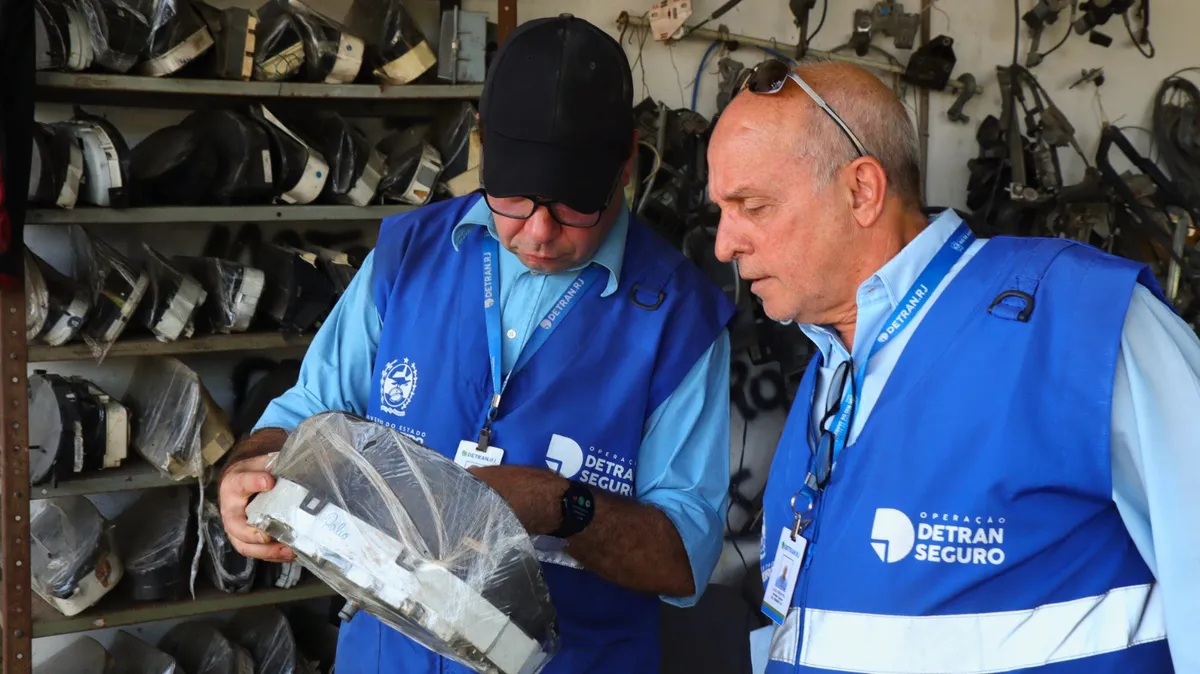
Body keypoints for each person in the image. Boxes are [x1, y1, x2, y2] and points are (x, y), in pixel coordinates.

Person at [217, 14, 737, 674]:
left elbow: (683, 557)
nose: (541, 232)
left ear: (628, 161)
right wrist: (246, 475)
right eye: (515, 199)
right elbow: (303, 417)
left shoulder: (680, 319)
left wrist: (562, 506)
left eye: (576, 205)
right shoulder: (408, 256)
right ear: (483, 143)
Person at [707, 57, 1200, 673]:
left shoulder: (1083, 320)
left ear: (861, 190)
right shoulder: (828, 372)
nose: (725, 244)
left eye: (751, 205)